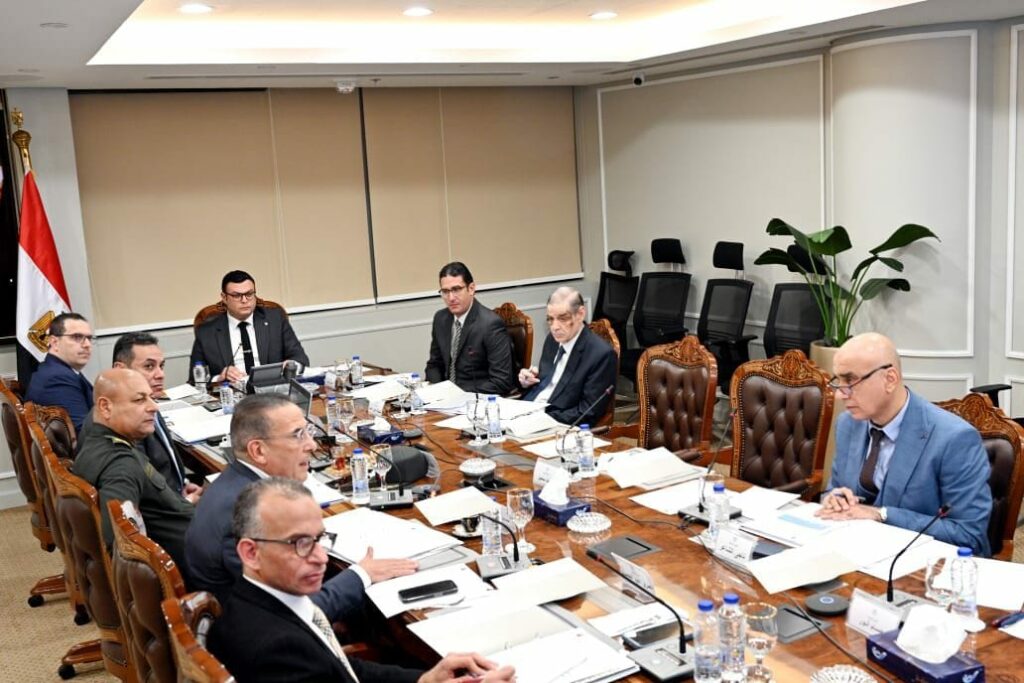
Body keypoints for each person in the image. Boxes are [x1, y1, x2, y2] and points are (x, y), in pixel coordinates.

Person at [209, 477, 515, 683]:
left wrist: (425, 679)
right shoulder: (276, 649)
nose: (321, 557)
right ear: (251, 553)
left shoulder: (271, 602)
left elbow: (341, 669)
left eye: (319, 539)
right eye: (300, 544)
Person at [185, 393, 416, 617]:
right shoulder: (242, 512)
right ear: (258, 451)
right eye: (298, 435)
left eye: (308, 432)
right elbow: (292, 612)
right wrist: (361, 574)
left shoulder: (236, 483)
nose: (312, 445)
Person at [817, 332, 992, 556]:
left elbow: (969, 535)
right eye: (838, 381)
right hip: (855, 552)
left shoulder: (954, 439)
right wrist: (835, 499)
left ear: (890, 379)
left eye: (850, 381)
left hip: (922, 564)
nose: (840, 395)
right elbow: (833, 489)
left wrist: (881, 514)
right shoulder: (848, 424)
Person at [73, 368, 195, 569]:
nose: (154, 406)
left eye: (150, 397)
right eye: (140, 400)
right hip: (192, 566)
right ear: (105, 407)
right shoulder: (120, 467)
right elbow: (123, 551)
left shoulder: (98, 439)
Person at [109, 332, 201, 502]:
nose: (160, 374)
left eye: (161, 366)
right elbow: (145, 491)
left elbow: (161, 467)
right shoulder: (125, 422)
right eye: (149, 366)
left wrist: (182, 484)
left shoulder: (147, 401)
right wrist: (185, 503)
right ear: (120, 370)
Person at [189, 270, 309, 384]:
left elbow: (301, 359)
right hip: (232, 391)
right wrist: (219, 378)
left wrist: (291, 365)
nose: (244, 300)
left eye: (249, 294)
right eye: (237, 295)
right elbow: (195, 379)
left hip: (272, 390)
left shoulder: (275, 319)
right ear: (224, 298)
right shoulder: (207, 331)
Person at [519, 287, 616, 426]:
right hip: (524, 412)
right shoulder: (552, 340)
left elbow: (587, 412)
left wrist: (540, 419)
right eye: (550, 319)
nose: (554, 327)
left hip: (555, 423)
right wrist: (527, 382)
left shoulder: (601, 354)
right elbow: (547, 384)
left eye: (563, 318)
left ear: (580, 314)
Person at [425, 262, 514, 396]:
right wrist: (437, 391)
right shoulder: (440, 318)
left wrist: (456, 394)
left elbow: (501, 381)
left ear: (471, 288)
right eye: (445, 291)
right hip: (445, 398)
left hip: (476, 399)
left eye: (456, 289)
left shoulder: (490, 324)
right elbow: (434, 365)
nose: (451, 298)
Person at [25, 312, 95, 432]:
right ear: (54, 342)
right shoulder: (57, 379)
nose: (87, 345)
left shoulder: (58, 369)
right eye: (77, 337)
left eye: (89, 338)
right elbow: (83, 433)